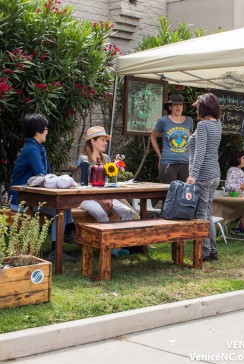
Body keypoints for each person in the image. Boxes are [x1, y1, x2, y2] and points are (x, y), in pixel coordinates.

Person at [8, 114, 77, 262]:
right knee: (60, 210)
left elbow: (46, 175)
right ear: (38, 131)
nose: (47, 131)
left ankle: (69, 232)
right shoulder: (32, 150)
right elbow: (43, 175)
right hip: (20, 200)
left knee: (65, 204)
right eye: (46, 129)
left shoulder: (38, 147)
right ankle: (57, 249)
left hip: (31, 198)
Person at [77, 126, 136, 256]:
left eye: (105, 140)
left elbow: (110, 183)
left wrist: (108, 197)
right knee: (102, 215)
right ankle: (106, 248)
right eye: (102, 140)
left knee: (127, 212)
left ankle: (118, 245)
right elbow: (82, 185)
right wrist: (101, 199)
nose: (105, 143)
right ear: (93, 141)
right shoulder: (84, 159)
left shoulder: (107, 159)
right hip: (87, 197)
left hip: (105, 196)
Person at [186, 93, 222, 262]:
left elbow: (200, 152)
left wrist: (192, 175)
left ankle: (205, 252)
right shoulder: (217, 124)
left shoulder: (202, 126)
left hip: (203, 175)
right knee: (207, 213)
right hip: (214, 174)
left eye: (198, 106)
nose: (196, 109)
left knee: (201, 214)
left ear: (204, 108)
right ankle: (212, 250)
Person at [150, 93, 193, 184]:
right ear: (170, 107)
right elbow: (153, 137)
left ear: (183, 106)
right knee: (168, 193)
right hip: (168, 163)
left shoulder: (189, 121)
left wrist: (192, 158)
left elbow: (191, 140)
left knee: (184, 194)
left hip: (186, 163)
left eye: (180, 104)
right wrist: (160, 156)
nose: (178, 107)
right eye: (175, 104)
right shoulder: (163, 121)